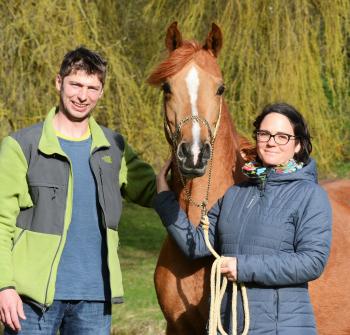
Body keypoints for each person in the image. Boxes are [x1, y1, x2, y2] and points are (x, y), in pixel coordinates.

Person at [0, 47, 156, 334]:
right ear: (58, 82)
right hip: (31, 300)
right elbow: (1, 222)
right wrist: (4, 286)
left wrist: (188, 163)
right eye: (76, 84)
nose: (83, 96)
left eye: (92, 88)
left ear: (101, 92)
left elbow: (154, 191)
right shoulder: (21, 146)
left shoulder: (115, 147)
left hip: (94, 300)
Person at [154, 103, 332, 334]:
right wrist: (165, 200)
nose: (271, 142)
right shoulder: (235, 194)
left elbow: (311, 262)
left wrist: (243, 267)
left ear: (297, 145)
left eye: (282, 136)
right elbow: (197, 245)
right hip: (230, 325)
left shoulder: (310, 195)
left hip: (281, 327)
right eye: (265, 134)